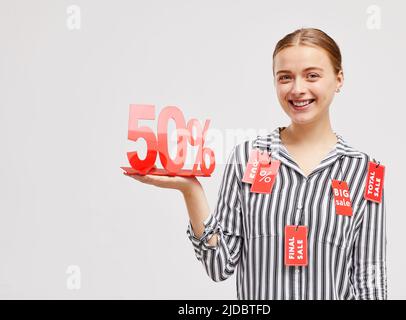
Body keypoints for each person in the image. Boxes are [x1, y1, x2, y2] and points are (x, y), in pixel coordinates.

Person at [124, 27, 387, 300]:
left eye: (312, 75)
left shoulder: (365, 172)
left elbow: (370, 277)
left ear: (339, 79)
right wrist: (191, 191)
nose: (298, 89)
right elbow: (219, 266)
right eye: (285, 77)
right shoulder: (246, 158)